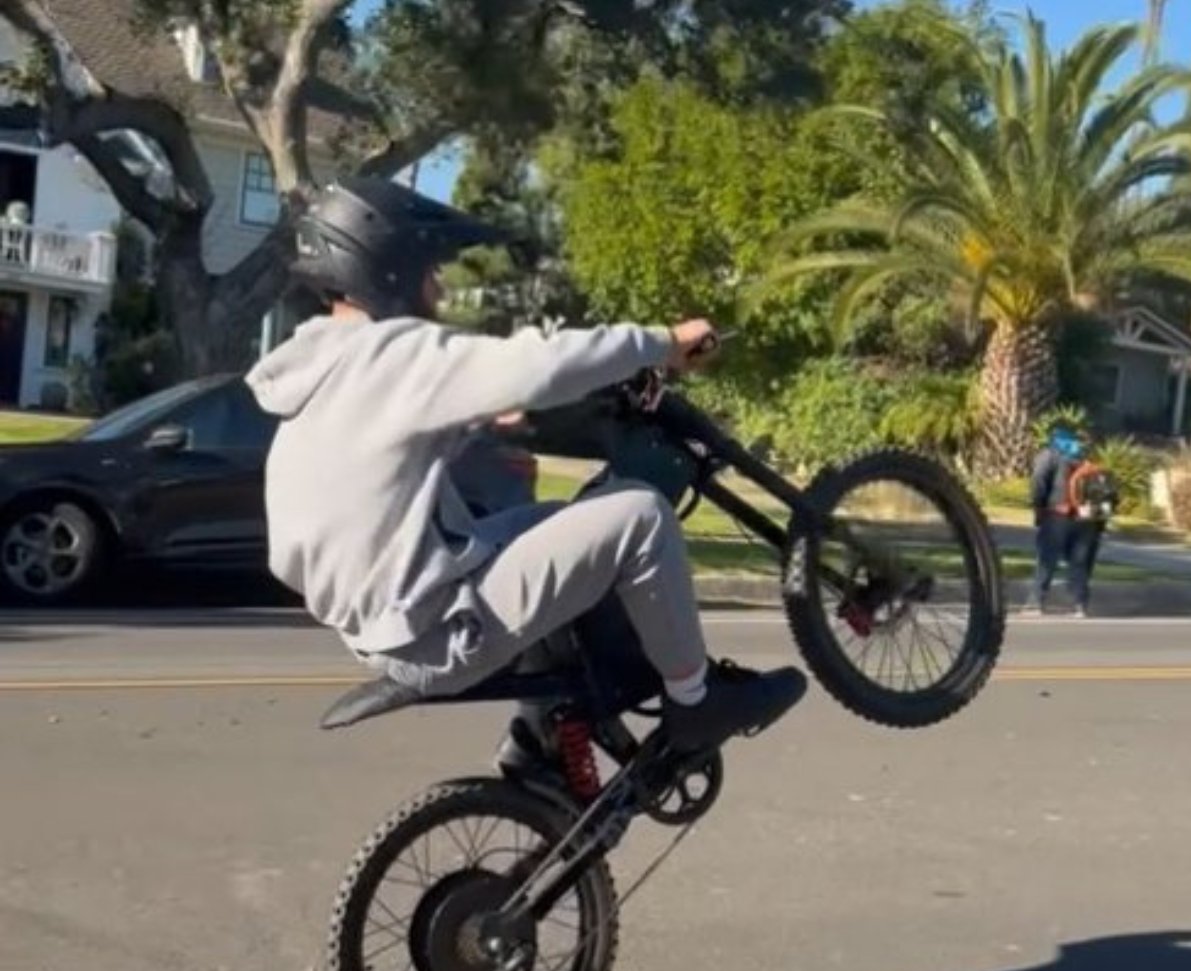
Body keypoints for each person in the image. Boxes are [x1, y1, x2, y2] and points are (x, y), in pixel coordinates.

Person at [246, 178, 805, 773]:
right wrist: (662, 344)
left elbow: (372, 464)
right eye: (431, 272)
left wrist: (492, 411)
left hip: (378, 620)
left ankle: (538, 730)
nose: (438, 288)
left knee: (561, 522)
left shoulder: (324, 368)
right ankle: (696, 702)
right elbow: (540, 360)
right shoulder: (393, 355)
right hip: (431, 630)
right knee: (640, 516)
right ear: (390, 269)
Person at [1029, 427, 1117, 617]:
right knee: (1079, 562)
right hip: (1087, 518)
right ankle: (1080, 605)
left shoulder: (1050, 454)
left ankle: (1036, 603)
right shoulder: (1088, 458)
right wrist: (1100, 523)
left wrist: (1038, 507)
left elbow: (1038, 480)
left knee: (1047, 559)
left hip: (1058, 514)